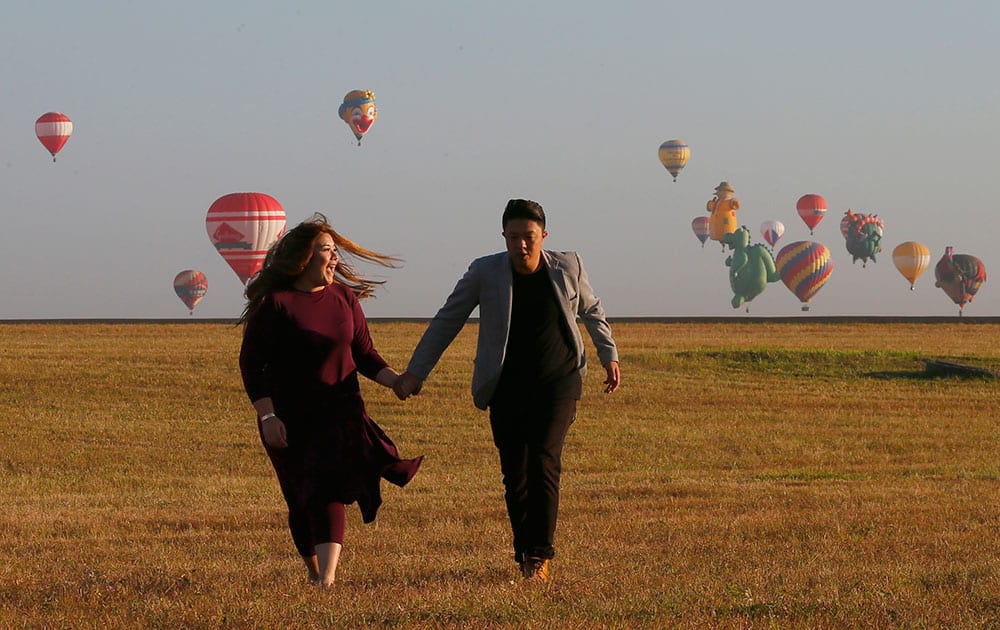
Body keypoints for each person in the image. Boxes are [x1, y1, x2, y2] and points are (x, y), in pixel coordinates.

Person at [394, 199, 620, 583]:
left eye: (529, 237)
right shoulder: (485, 272)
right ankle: (524, 552)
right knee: (515, 473)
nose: (521, 245)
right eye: (513, 237)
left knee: (543, 463)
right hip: (506, 386)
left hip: (558, 382)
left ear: (543, 237)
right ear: (504, 237)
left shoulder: (569, 266)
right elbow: (448, 319)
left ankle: (540, 554)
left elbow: (592, 310)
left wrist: (608, 354)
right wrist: (416, 372)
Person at [239, 213, 422, 587]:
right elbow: (251, 365)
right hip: (289, 418)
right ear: (303, 257)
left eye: (335, 250)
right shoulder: (275, 304)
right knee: (300, 499)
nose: (335, 257)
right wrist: (268, 416)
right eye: (327, 250)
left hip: (340, 413)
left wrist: (396, 382)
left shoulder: (343, 298)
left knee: (329, 489)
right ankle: (312, 569)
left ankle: (327, 579)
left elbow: (365, 354)